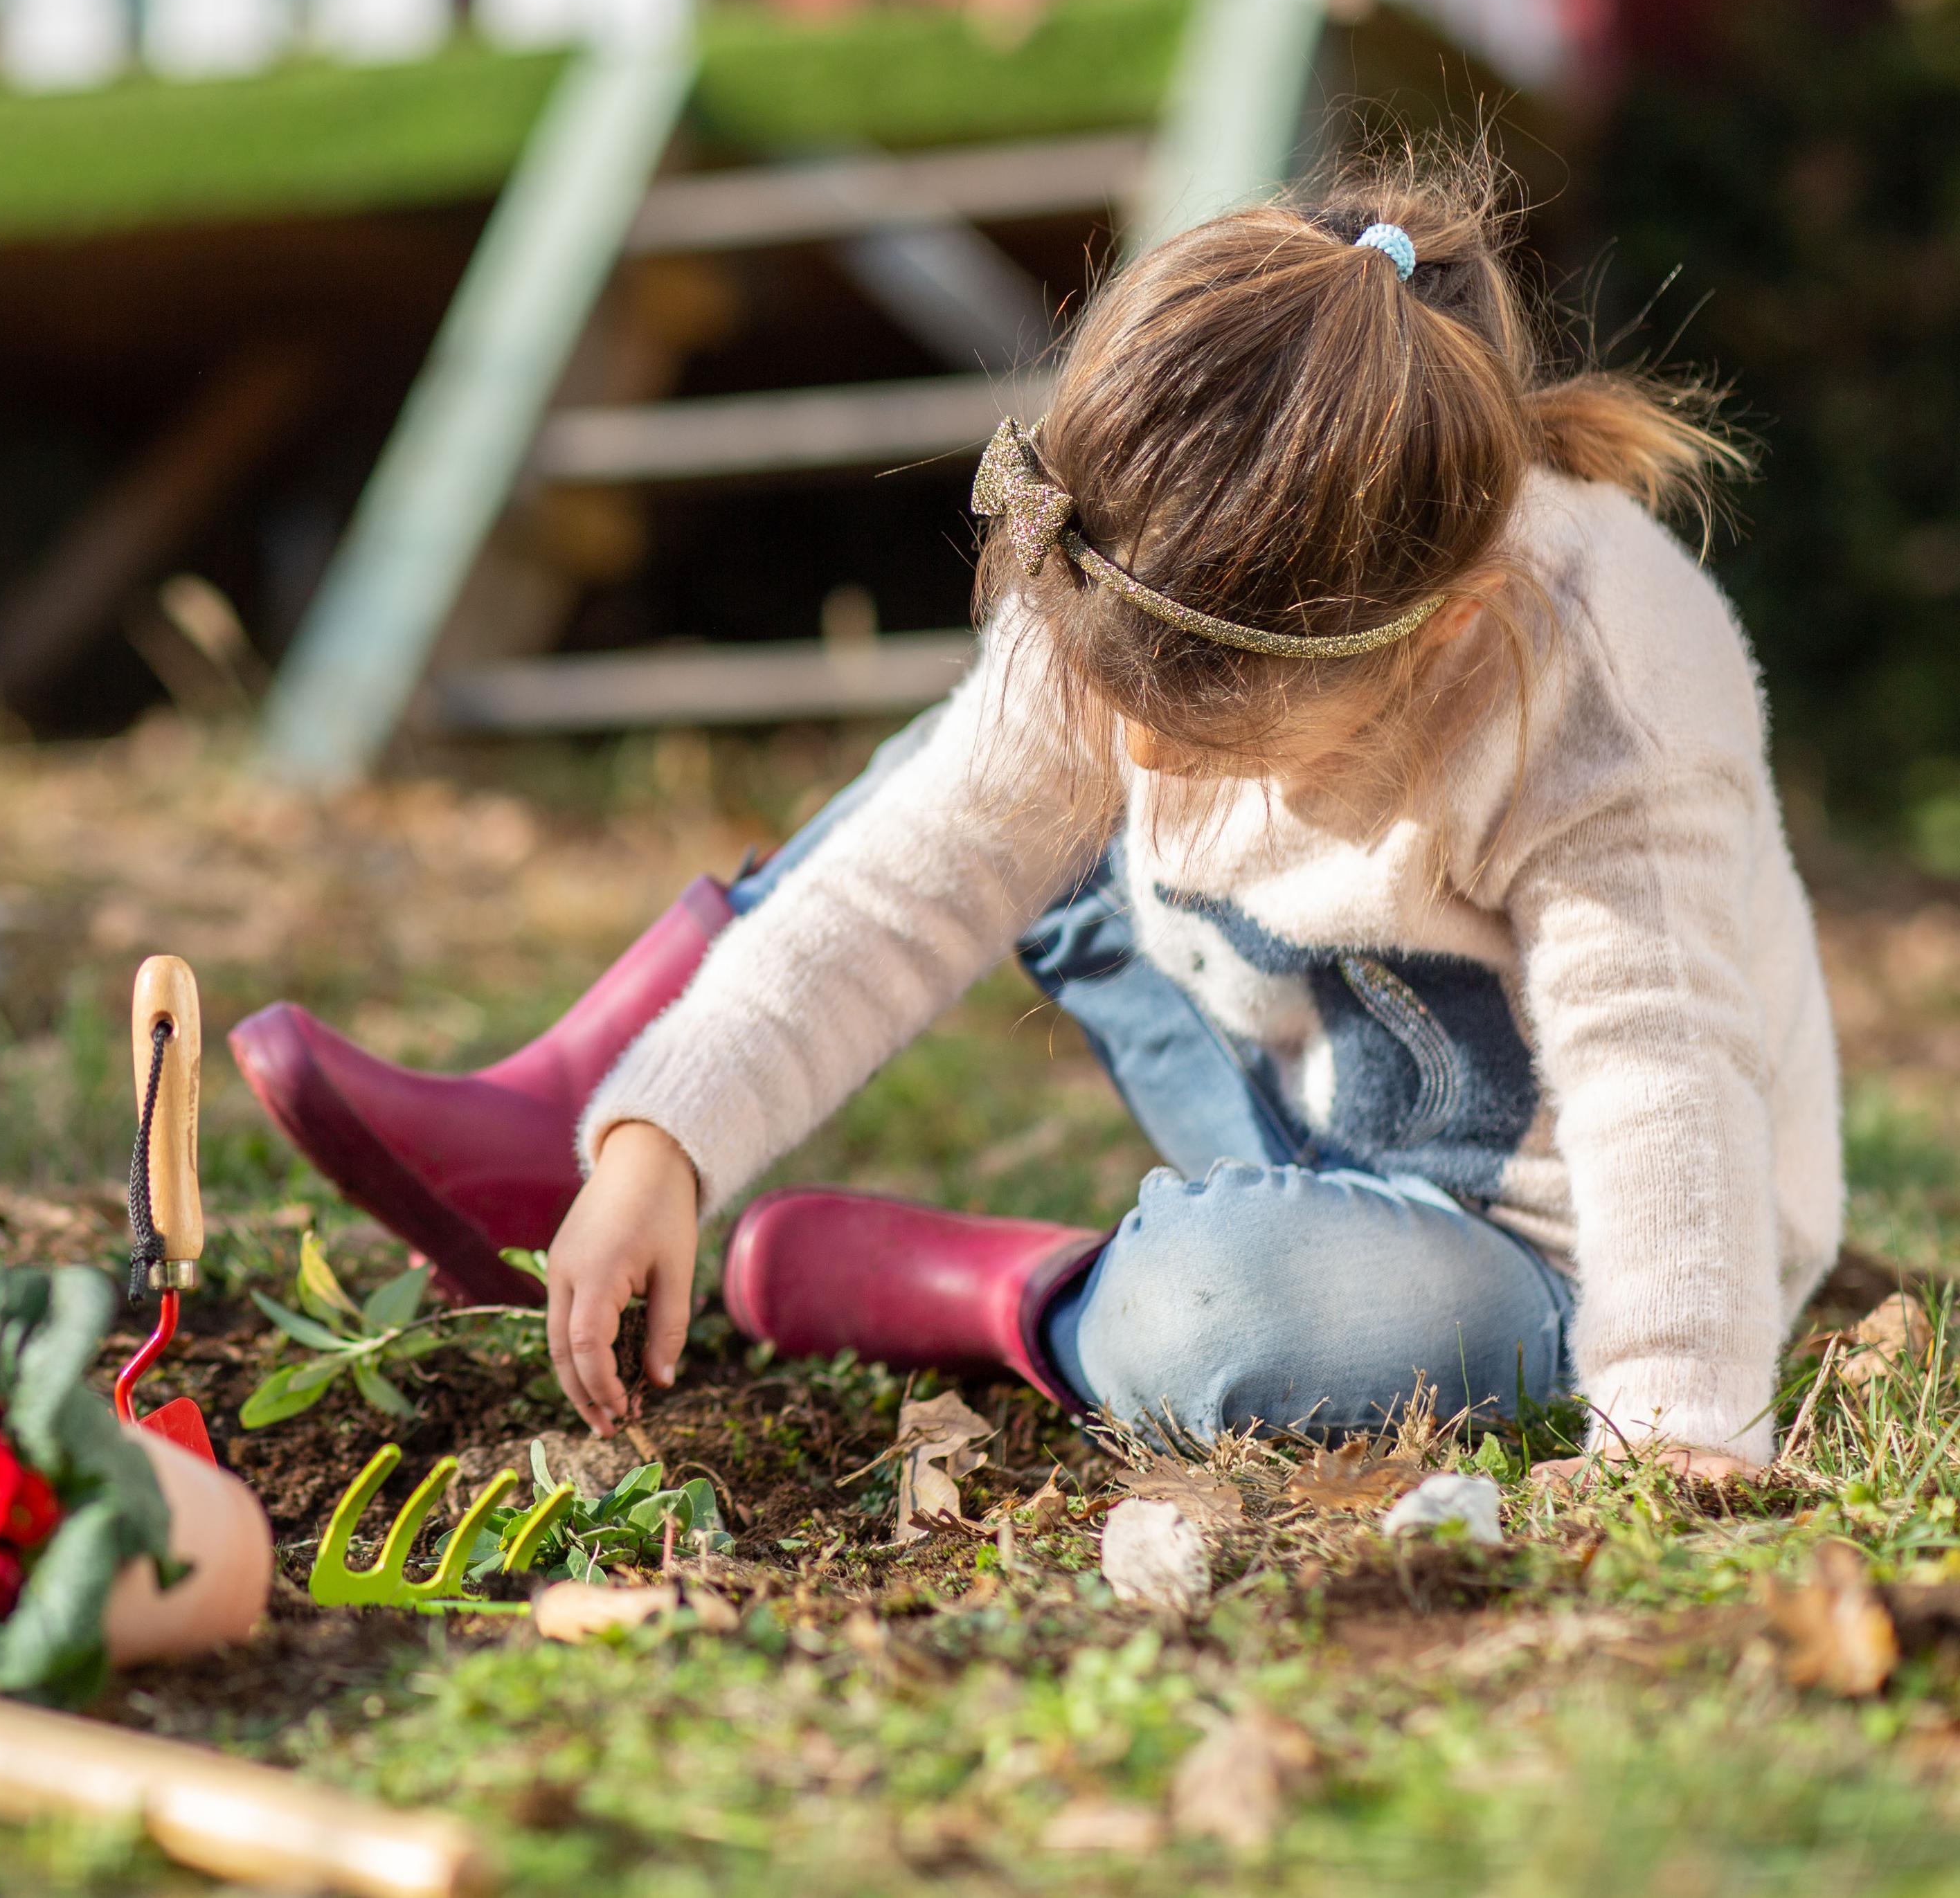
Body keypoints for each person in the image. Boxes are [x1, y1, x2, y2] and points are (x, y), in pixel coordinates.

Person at [232, 163, 1839, 1481]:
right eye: (1117, 690)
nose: (1138, 743)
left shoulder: (1606, 681)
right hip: (1277, 1090)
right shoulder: (1136, 553)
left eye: (1203, 726)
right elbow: (911, 872)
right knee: (975, 785)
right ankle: (595, 1117)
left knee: (1222, 1312)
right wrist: (672, 1131)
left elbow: (1664, 1062)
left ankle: (1020, 1293)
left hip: (1537, 1251)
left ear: (1431, 626)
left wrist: (1677, 1416)